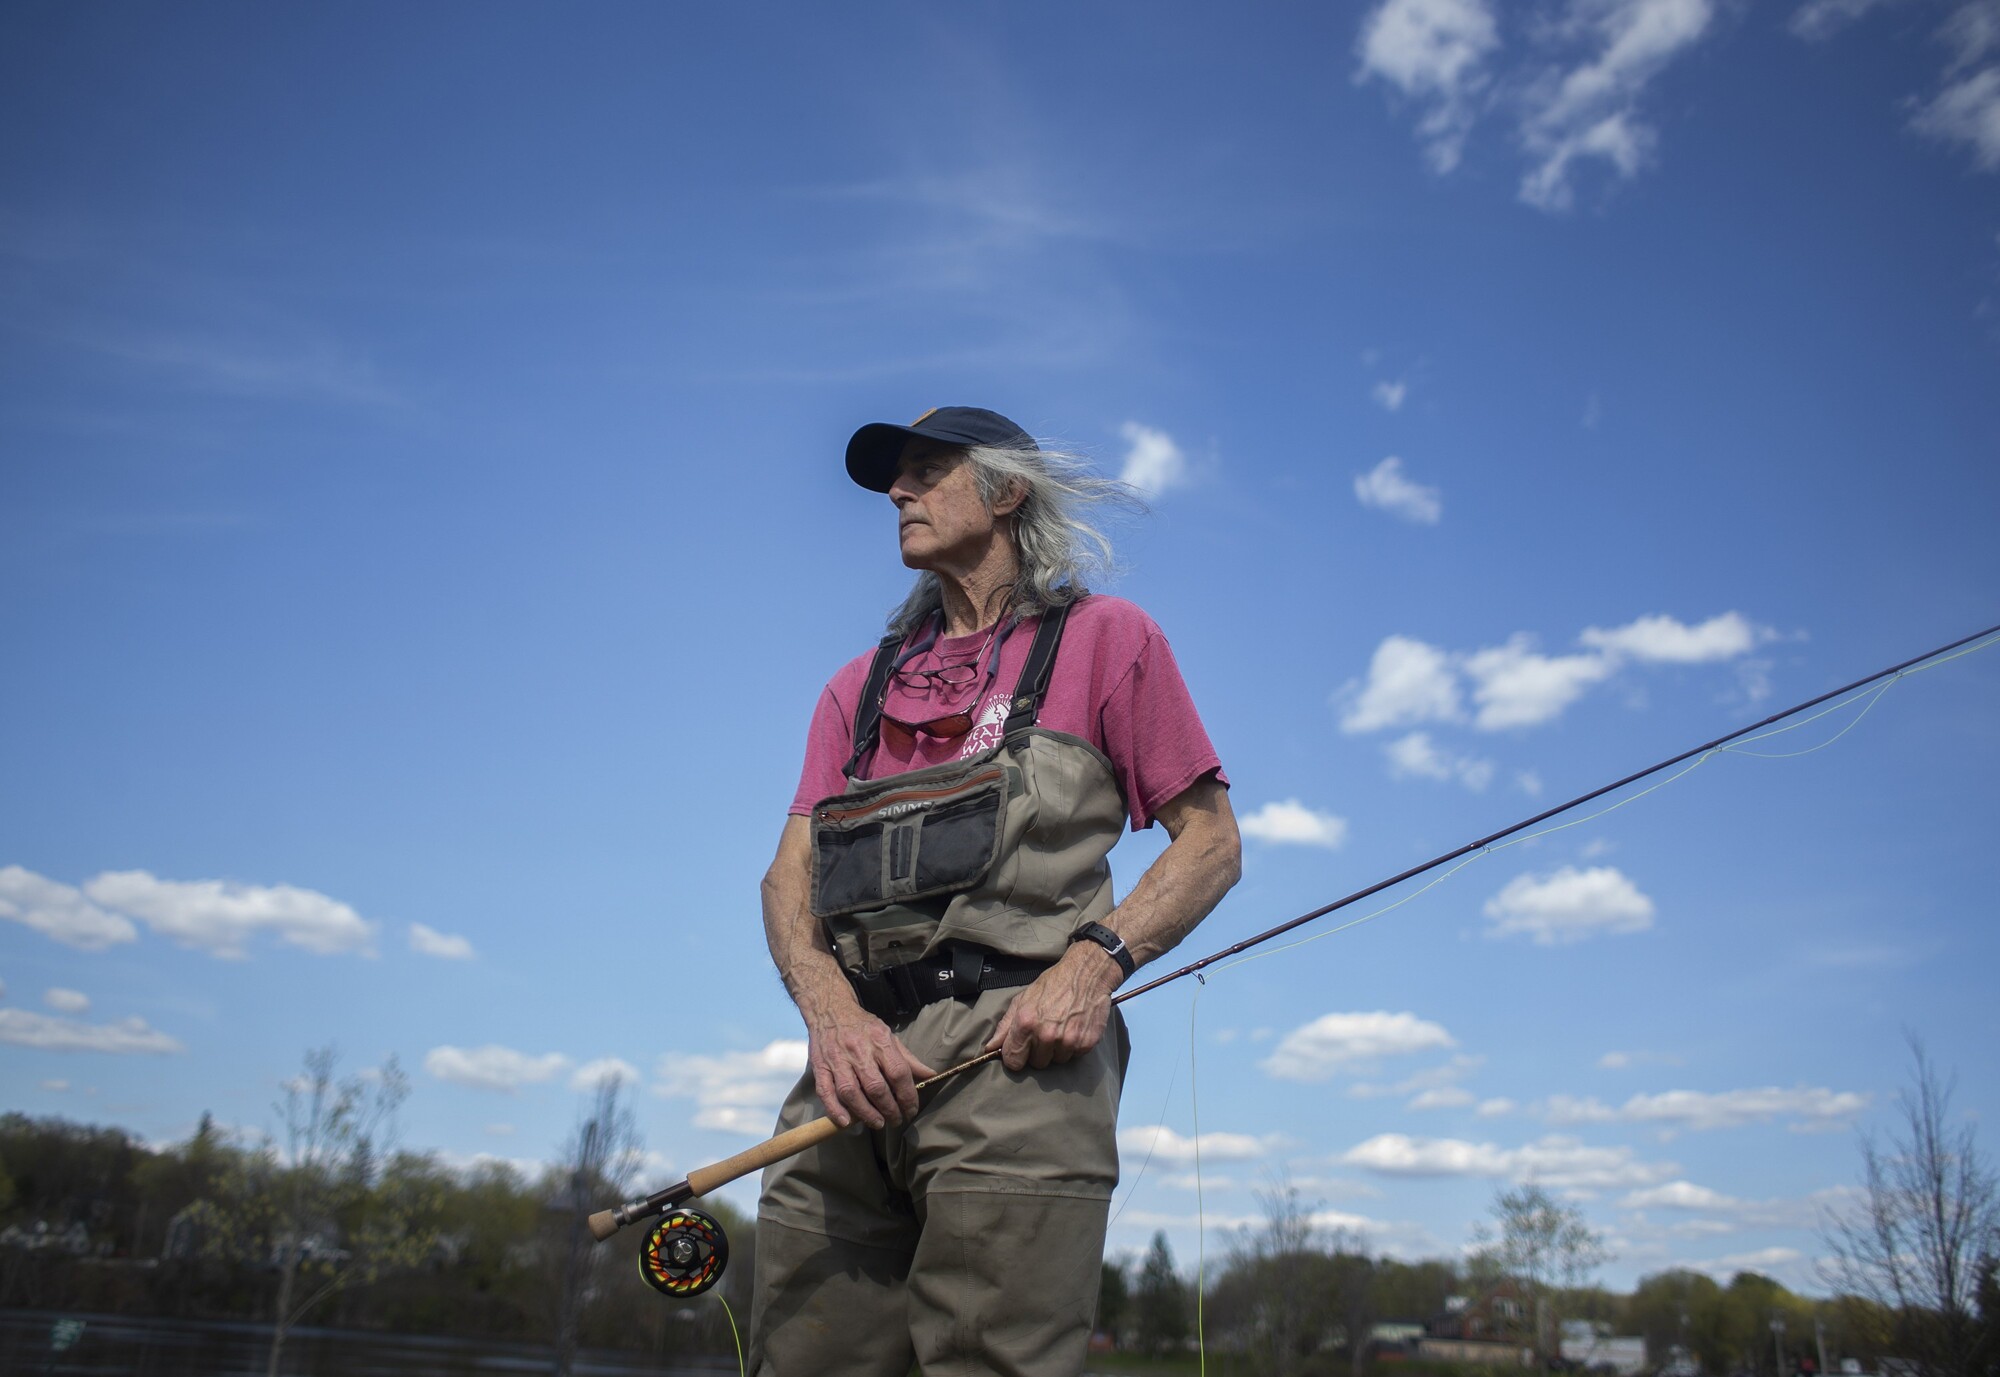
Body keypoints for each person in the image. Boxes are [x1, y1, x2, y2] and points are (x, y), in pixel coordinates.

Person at [748, 406, 1241, 1376]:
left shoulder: (1107, 639)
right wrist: (832, 1019)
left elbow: (1210, 843)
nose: (899, 491)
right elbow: (785, 878)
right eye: (897, 478)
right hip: (851, 1069)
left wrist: (1092, 966)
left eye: (928, 470)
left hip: (1020, 1059)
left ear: (1006, 491)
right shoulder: (856, 686)